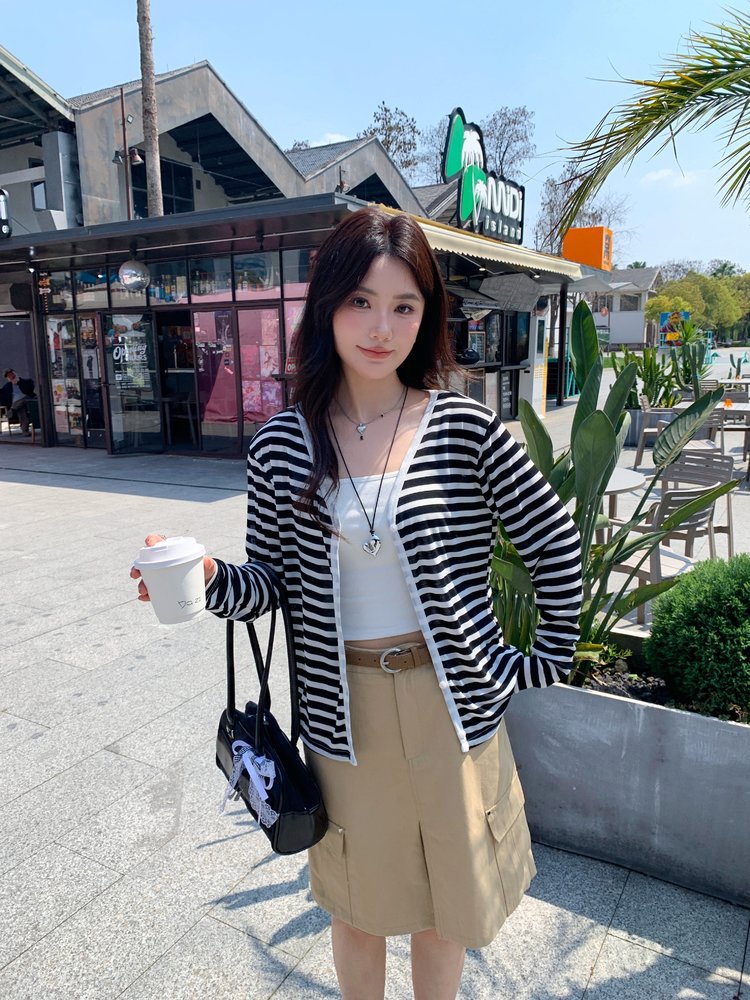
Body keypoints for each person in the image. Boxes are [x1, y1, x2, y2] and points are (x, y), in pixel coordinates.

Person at [131, 207, 582, 1000]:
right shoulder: (282, 444)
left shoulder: (465, 428)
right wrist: (206, 577)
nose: (382, 327)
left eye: (405, 306)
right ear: (328, 307)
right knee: (358, 907)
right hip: (346, 708)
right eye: (361, 302)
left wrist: (541, 659)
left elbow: (554, 539)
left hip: (452, 705)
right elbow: (270, 581)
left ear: (427, 315)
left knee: (447, 909)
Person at [1, 368, 35, 435]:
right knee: (21, 408)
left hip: (28, 401)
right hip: (16, 404)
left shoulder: (26, 381)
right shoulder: (7, 386)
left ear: (15, 373)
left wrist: (19, 382)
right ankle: (25, 430)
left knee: (24, 398)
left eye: (12, 374)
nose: (11, 376)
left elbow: (30, 391)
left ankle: (12, 410)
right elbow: (3, 397)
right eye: (9, 376)